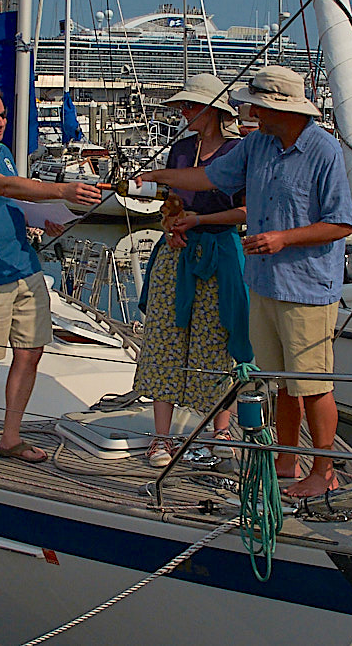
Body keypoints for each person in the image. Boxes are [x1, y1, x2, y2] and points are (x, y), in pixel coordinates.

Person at [137, 65, 352, 497]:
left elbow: (342, 224)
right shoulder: (258, 144)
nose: (247, 110)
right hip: (263, 283)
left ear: (278, 107)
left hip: (306, 289)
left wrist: (282, 239)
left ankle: (323, 471)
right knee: (280, 382)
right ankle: (288, 459)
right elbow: (210, 177)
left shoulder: (324, 151)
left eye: (255, 104)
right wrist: (156, 177)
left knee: (313, 385)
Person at [0, 81, 101, 474]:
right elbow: (0, 186)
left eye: (3, 116)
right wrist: (62, 189)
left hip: (23, 267)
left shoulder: (5, 154)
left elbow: (12, 200)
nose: (0, 124)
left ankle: (9, 438)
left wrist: (43, 221)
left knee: (30, 353)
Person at [130, 74, 251, 468]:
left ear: (212, 111)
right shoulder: (180, 150)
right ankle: (160, 438)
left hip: (220, 252)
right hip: (178, 252)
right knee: (164, 338)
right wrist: (173, 223)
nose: (183, 112)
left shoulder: (239, 150)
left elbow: (247, 211)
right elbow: (170, 203)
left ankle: (220, 430)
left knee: (217, 341)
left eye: (190, 106)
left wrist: (200, 221)